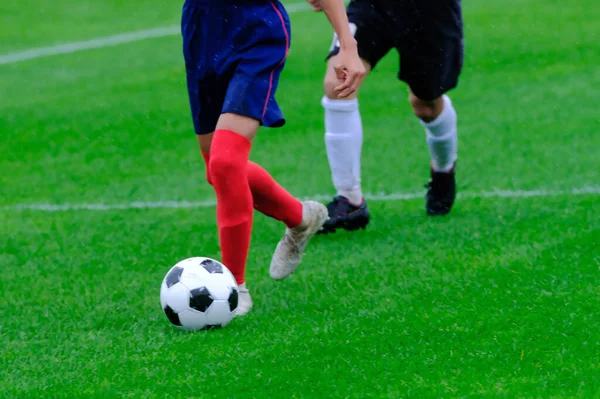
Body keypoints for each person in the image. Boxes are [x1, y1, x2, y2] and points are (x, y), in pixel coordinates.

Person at [181, 0, 366, 315]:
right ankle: (302, 218)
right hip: (202, 28)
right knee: (218, 169)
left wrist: (347, 46)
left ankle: (233, 288)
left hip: (256, 32)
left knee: (225, 163)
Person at [307, 0, 464, 234]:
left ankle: (443, 167)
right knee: (338, 83)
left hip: (432, 10)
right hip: (372, 5)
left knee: (426, 104)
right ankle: (349, 199)